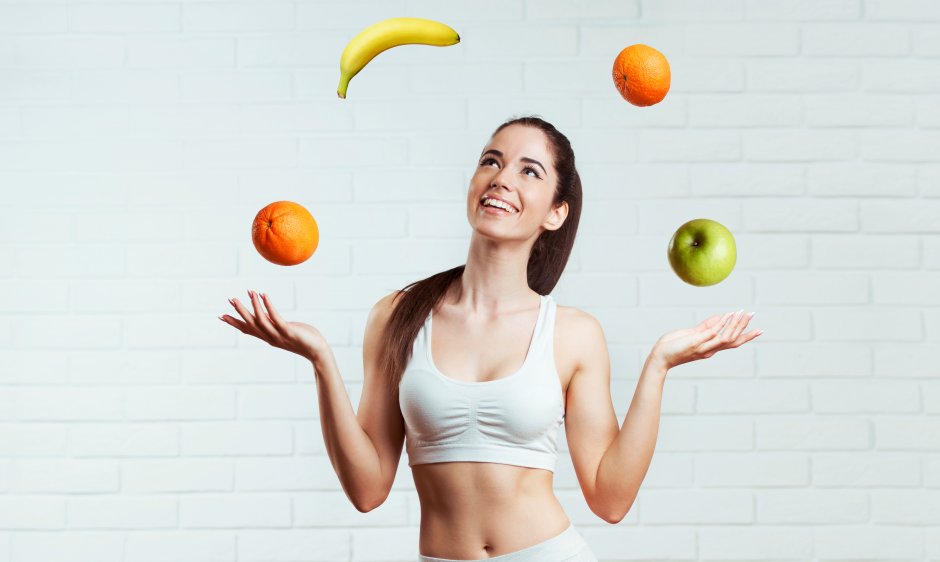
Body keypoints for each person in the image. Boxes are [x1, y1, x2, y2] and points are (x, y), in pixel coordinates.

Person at [220, 115, 760, 561]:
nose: (502, 178)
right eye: (491, 161)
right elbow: (367, 490)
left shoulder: (573, 333)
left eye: (529, 171)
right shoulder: (397, 317)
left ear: (555, 211)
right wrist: (319, 361)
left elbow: (610, 499)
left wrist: (659, 365)